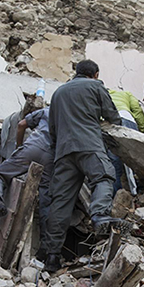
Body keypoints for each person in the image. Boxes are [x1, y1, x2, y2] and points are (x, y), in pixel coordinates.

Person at [41, 60, 120, 272]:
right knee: (103, 177)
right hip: (89, 145)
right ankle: (100, 216)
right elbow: (113, 117)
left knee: (61, 201)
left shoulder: (58, 93)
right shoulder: (96, 87)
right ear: (95, 74)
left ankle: (52, 257)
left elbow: (53, 129)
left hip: (64, 152)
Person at [0, 101, 53, 222]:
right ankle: (46, 233)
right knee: (46, 195)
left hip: (32, 148)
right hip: (51, 157)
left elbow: (21, 125)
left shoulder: (47, 111)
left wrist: (18, 146)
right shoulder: (72, 118)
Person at [107, 88, 144, 192]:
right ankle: (136, 191)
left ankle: (116, 191)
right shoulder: (126, 93)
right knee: (133, 158)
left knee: (114, 158)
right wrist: (141, 131)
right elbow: (137, 111)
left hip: (110, 123)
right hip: (128, 119)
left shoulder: (101, 94)